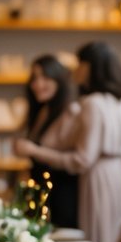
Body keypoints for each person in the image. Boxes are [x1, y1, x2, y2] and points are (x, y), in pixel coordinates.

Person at [15, 41, 121, 242]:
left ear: (91, 68)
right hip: (120, 176)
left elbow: (82, 158)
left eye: (80, 64)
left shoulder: (90, 104)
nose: (75, 70)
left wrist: (35, 151)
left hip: (97, 178)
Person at [23, 54, 79, 228]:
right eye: (34, 78)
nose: (37, 84)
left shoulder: (71, 111)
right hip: (41, 190)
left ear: (59, 80)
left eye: (45, 77)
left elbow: (74, 159)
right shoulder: (43, 110)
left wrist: (32, 150)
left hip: (61, 193)